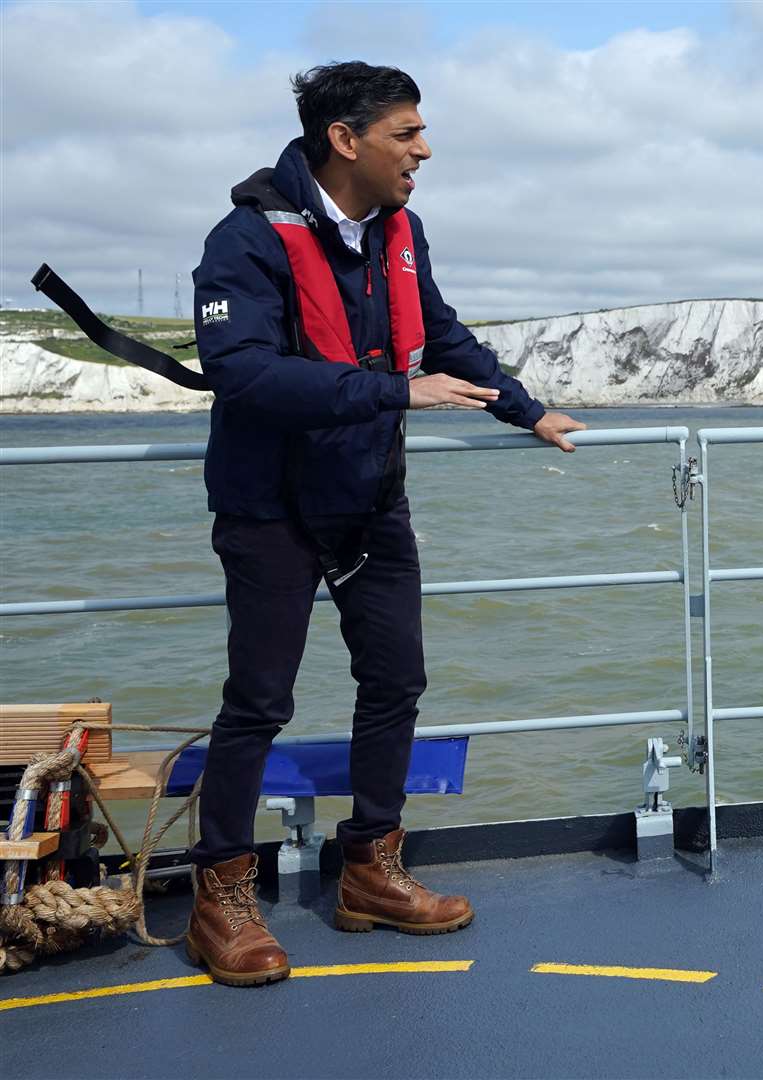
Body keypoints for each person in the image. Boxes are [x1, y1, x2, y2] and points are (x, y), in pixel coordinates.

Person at [184, 61, 583, 987]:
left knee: (397, 680)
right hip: (270, 508)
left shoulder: (400, 232)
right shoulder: (242, 240)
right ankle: (222, 896)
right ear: (344, 138)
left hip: (368, 499)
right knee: (259, 703)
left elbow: (439, 332)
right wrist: (393, 390)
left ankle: (370, 866)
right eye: (406, 133)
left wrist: (523, 408)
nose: (423, 150)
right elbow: (243, 371)